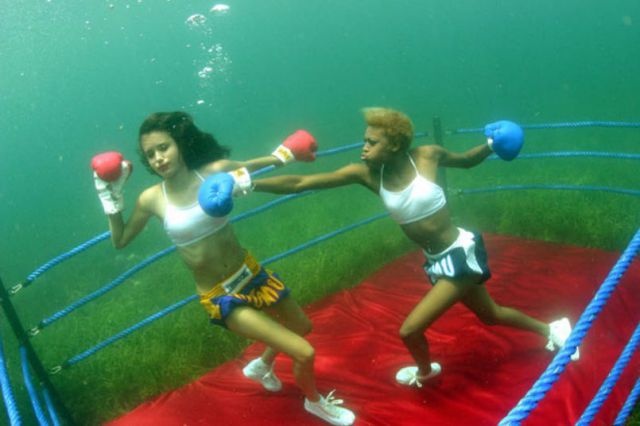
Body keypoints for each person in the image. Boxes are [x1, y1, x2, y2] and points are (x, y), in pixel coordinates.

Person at [246, 107, 579, 388]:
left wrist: (492, 144)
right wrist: (250, 183)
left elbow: (464, 160)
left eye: (372, 142)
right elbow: (301, 182)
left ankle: (425, 371)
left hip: (461, 252)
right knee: (490, 315)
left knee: (409, 330)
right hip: (437, 260)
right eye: (365, 140)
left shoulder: (427, 155)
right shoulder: (366, 174)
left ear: (394, 144)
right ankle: (552, 328)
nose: (364, 148)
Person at [91, 111, 356, 426]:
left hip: (251, 274)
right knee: (304, 352)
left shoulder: (213, 172)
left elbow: (265, 162)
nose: (159, 158)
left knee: (302, 327)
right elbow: (120, 239)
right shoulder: (151, 198)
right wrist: (111, 199)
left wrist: (289, 151)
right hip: (221, 296)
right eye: (151, 154)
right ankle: (315, 404)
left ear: (181, 144)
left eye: (164, 147)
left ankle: (261, 366)